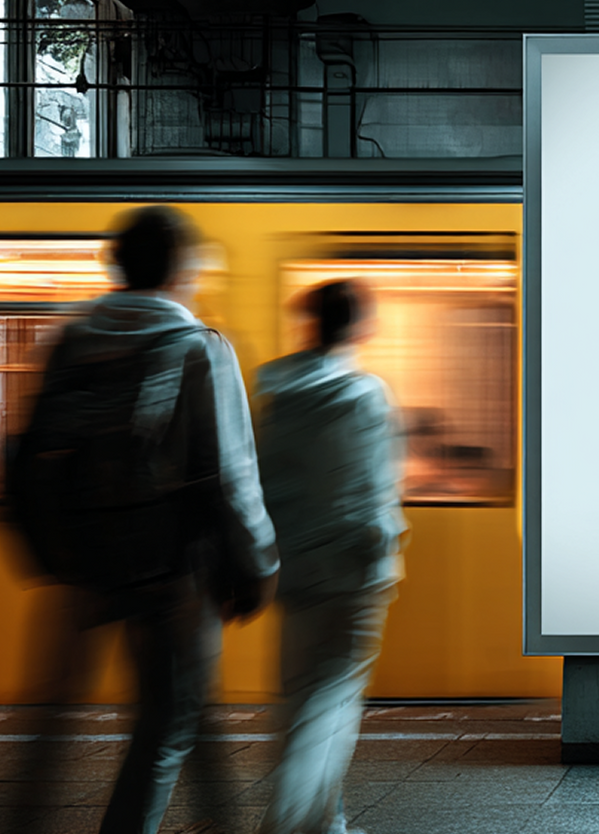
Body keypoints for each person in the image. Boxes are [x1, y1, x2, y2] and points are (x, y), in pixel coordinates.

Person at [21, 204, 278, 834]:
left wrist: (50, 551)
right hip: (170, 571)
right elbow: (232, 475)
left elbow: (32, 454)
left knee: (50, 729)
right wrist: (257, 565)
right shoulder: (199, 346)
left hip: (84, 564)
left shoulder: (72, 340)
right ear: (180, 269)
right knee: (168, 721)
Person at [253, 280, 408, 834]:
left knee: (299, 699)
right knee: (332, 701)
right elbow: (376, 486)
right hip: (352, 573)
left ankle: (327, 822)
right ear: (360, 326)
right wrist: (384, 545)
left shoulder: (276, 394)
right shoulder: (364, 394)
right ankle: (287, 822)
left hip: (292, 569)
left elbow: (262, 481)